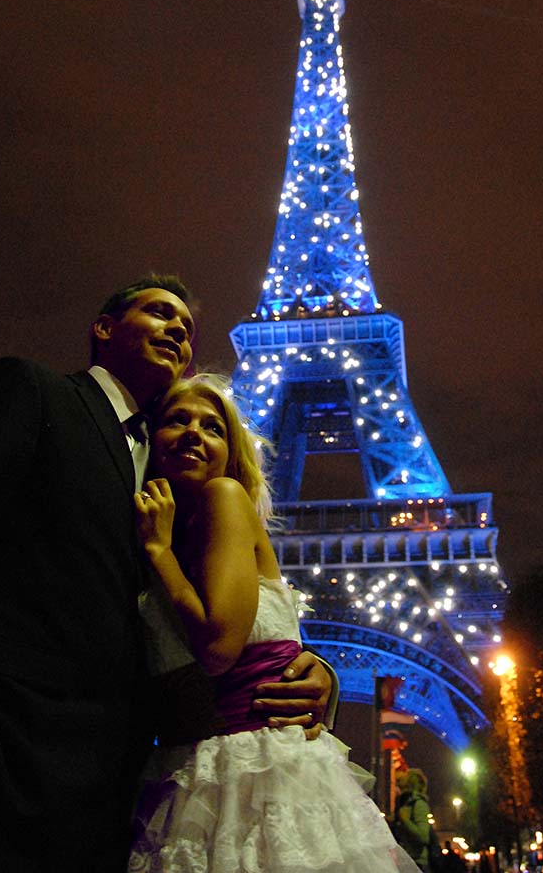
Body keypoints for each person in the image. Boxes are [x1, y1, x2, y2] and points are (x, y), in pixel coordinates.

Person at [0, 276, 334, 873]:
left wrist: (309, 667)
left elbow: (233, 619)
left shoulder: (188, 507)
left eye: (187, 325)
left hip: (124, 791)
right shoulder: (33, 393)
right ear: (103, 328)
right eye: (158, 313)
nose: (180, 328)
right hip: (12, 758)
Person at [128, 373, 421, 873]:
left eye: (213, 427)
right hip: (198, 773)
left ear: (232, 455)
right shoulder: (168, 535)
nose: (196, 433)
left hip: (252, 775)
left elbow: (221, 647)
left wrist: (158, 552)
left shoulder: (221, 499)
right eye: (178, 420)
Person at [392, 768, 434, 871]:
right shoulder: (405, 803)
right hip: (406, 861)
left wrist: (406, 821)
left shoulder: (418, 804)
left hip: (417, 863)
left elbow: (423, 837)